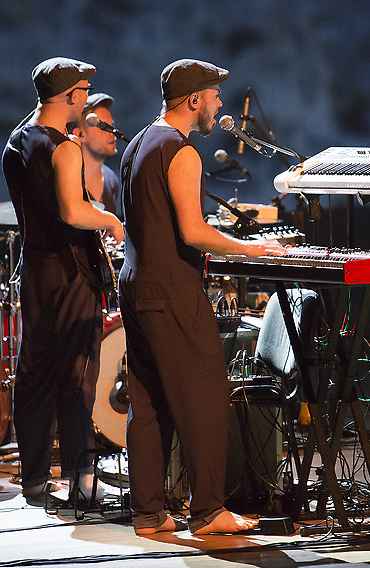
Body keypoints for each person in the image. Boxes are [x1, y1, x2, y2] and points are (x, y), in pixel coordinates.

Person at [118, 58, 287, 536]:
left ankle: (148, 514)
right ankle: (209, 512)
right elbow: (192, 232)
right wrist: (251, 248)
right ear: (194, 100)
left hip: (135, 283)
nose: (219, 104)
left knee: (148, 402)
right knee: (206, 397)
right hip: (171, 289)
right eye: (214, 96)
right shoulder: (182, 151)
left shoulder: (137, 143)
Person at [1, 57, 125, 508]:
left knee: (34, 374)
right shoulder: (64, 148)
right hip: (70, 270)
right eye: (84, 90)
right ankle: (83, 483)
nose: (87, 98)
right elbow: (73, 212)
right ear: (70, 95)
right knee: (78, 375)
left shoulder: (16, 142)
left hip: (35, 269)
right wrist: (111, 220)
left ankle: (34, 479)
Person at [68, 93, 122, 217]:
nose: (113, 132)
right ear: (80, 134)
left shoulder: (111, 180)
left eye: (112, 126)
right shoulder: (65, 180)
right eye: (103, 126)